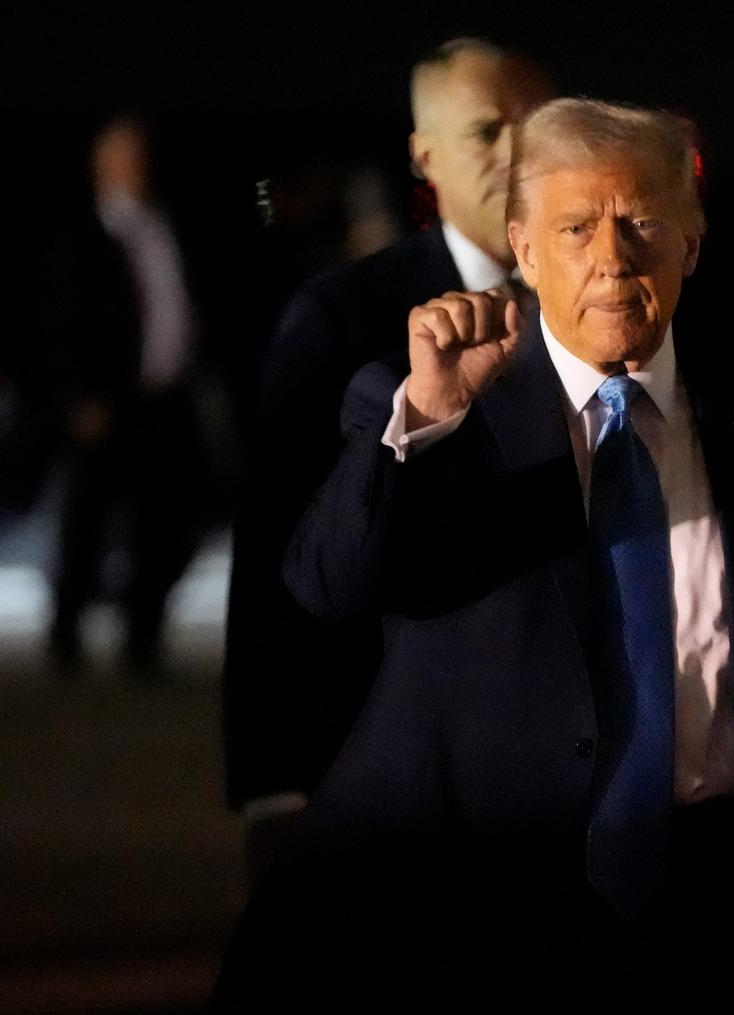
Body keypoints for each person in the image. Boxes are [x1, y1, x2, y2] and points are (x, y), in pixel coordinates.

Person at [212, 98, 734, 1015]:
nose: (613, 258)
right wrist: (423, 418)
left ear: (693, 242)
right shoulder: (439, 410)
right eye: (577, 228)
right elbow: (326, 587)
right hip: (498, 920)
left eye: (643, 224)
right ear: (523, 248)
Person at [221, 39, 554, 864]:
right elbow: (275, 556)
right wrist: (275, 784)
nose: (515, 152)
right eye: (486, 132)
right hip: (388, 777)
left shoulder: (608, 306)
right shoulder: (345, 316)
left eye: (536, 127)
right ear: (424, 156)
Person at [48, 116, 213, 674]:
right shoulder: (84, 236)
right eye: (123, 159)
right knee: (87, 523)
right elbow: (64, 324)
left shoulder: (172, 227)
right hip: (107, 403)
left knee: (168, 523)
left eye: (140, 158)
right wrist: (81, 397)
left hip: (167, 398)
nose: (135, 170)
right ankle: (65, 637)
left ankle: (142, 639)